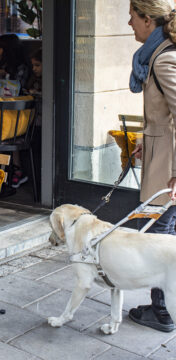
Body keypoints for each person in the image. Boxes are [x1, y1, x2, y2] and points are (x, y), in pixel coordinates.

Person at [127, 0, 176, 332]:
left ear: (147, 20)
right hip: (162, 153)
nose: (128, 23)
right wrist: (149, 136)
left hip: (169, 165)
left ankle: (162, 312)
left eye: (132, 17)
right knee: (165, 234)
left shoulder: (163, 59)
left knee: (160, 235)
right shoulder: (159, 54)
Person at [22, 48, 42, 196]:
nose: (34, 69)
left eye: (37, 65)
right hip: (32, 122)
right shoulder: (33, 80)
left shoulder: (45, 83)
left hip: (38, 123)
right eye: (33, 65)